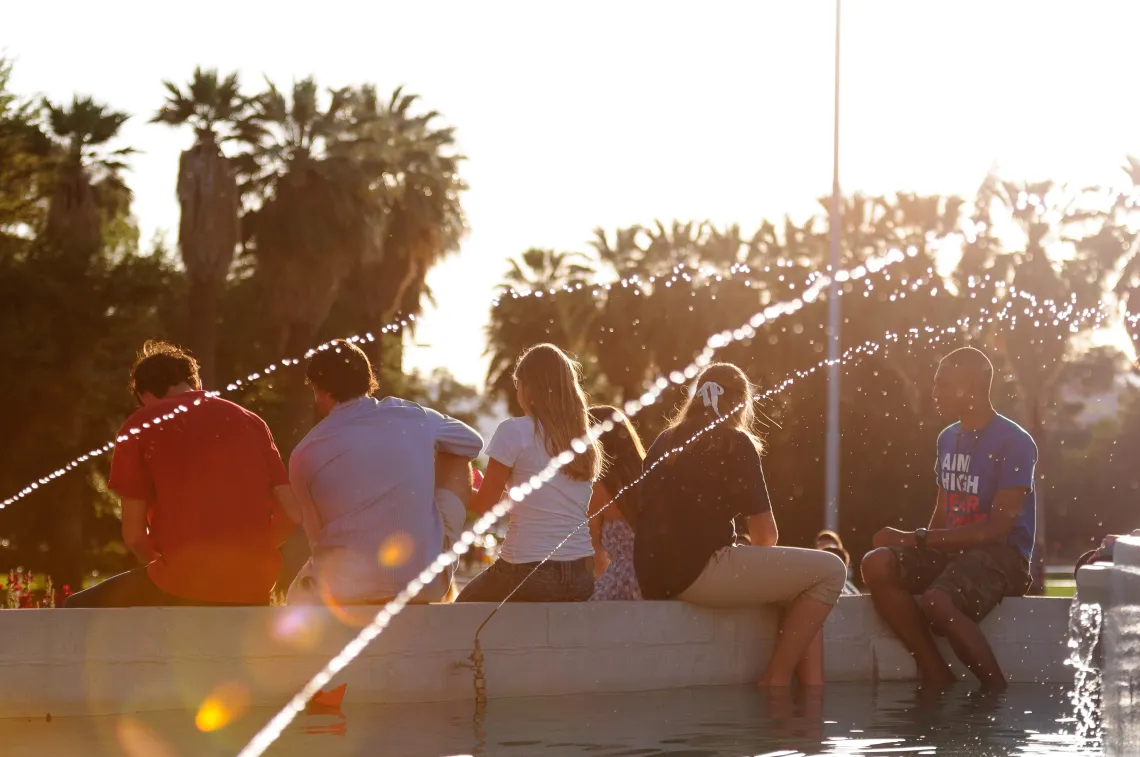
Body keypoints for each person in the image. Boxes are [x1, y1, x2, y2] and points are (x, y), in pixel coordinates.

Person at [634, 363, 847, 688]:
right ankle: (775, 682)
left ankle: (810, 701)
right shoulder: (734, 442)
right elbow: (766, 536)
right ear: (741, 404)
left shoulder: (665, 441)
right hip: (698, 572)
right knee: (830, 571)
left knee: (802, 588)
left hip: (654, 576)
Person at [65, 341, 299, 608]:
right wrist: (252, 554)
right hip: (252, 584)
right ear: (196, 382)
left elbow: (133, 536)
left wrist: (167, 566)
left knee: (76, 608)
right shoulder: (251, 421)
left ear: (143, 396)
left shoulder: (142, 424)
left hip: (181, 582)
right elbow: (292, 513)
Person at [860, 346, 1037, 691]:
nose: (934, 392)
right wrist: (919, 549)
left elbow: (998, 529)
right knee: (876, 564)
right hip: (955, 551)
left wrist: (915, 538)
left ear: (969, 389)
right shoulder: (947, 439)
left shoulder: (1015, 442)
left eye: (943, 384)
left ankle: (995, 695)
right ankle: (936, 673)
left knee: (936, 601)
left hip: (1004, 558)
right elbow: (943, 510)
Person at [287, 339, 483, 606]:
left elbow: (315, 537)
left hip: (343, 587)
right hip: (424, 584)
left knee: (293, 596)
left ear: (320, 391)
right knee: (457, 458)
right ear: (369, 379)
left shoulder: (304, 453)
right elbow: (472, 443)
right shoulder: (412, 416)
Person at [457, 344, 601, 603]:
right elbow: (550, 504)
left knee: (460, 614)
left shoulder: (515, 431)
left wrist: (458, 474)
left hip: (527, 571)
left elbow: (481, 505)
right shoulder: (585, 440)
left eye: (519, 385)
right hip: (581, 575)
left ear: (529, 389)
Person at [588, 405, 646, 601]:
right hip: (655, 578)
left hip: (623, 581)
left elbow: (595, 552)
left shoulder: (599, 488)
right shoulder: (650, 476)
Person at [813, 530, 859, 596]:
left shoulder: (850, 589)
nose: (828, 556)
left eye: (832, 551)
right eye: (822, 551)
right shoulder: (810, 588)